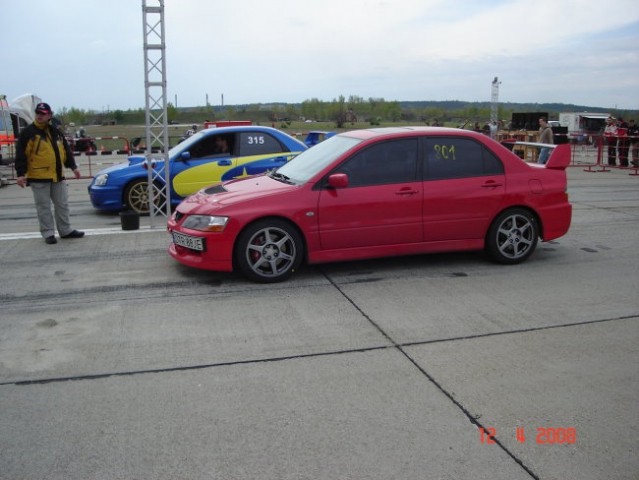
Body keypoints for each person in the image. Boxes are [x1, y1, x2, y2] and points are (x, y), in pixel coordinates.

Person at [15, 102, 84, 244]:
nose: (39, 116)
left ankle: (65, 230)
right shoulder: (28, 133)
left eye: (43, 113)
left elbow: (65, 150)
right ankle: (48, 233)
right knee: (43, 207)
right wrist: (20, 174)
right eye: (38, 113)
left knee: (62, 204)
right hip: (38, 177)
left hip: (57, 176)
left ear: (49, 115)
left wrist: (73, 167)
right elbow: (21, 154)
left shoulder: (55, 132)